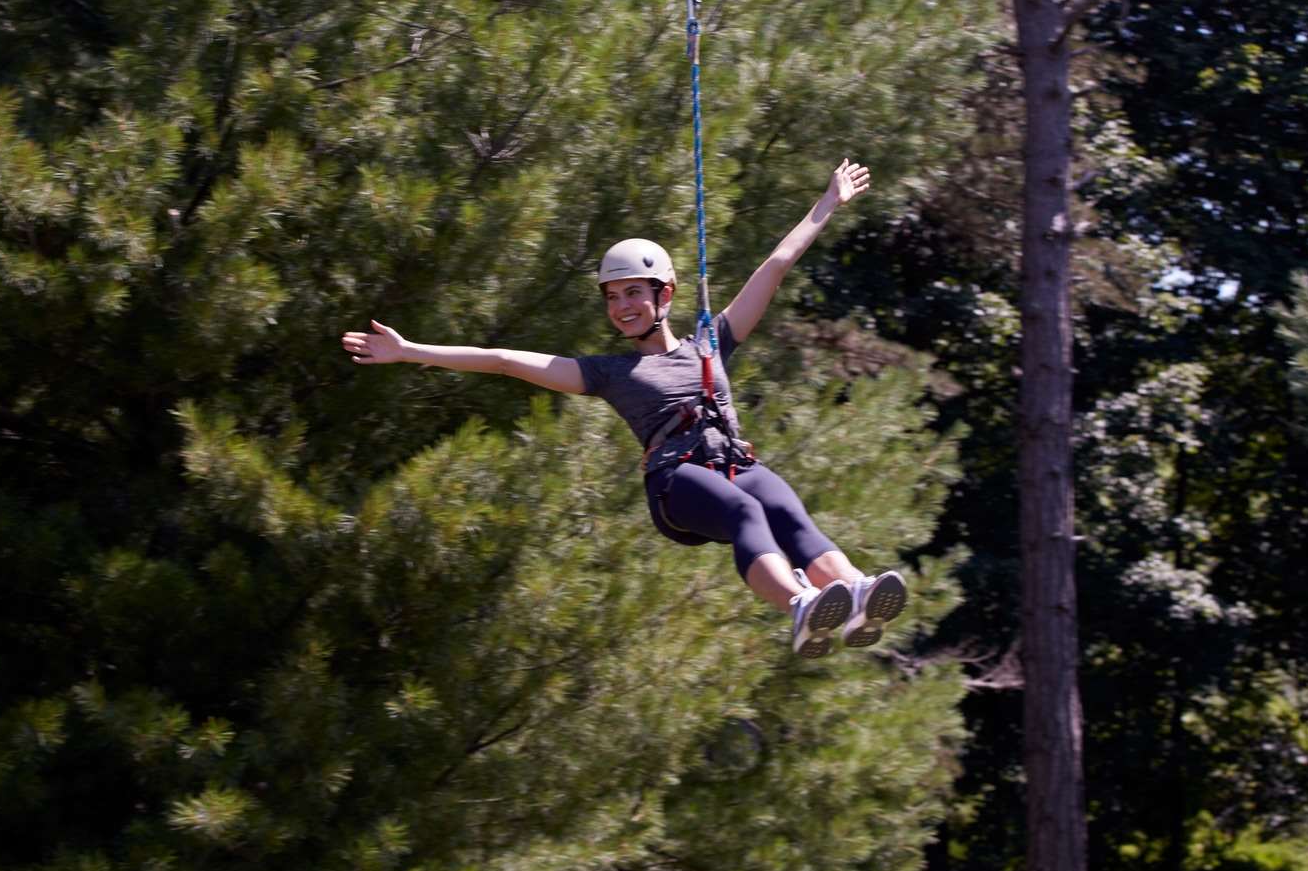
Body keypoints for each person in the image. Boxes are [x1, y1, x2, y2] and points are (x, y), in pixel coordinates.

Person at [340, 158, 906, 659]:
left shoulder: (713, 341)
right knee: (746, 514)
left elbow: (775, 265)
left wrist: (828, 201)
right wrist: (412, 351)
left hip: (733, 462)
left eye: (634, 292)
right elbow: (505, 359)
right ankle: (801, 605)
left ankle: (854, 592)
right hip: (676, 482)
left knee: (783, 505)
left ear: (665, 294)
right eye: (613, 297)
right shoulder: (611, 374)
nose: (622, 306)